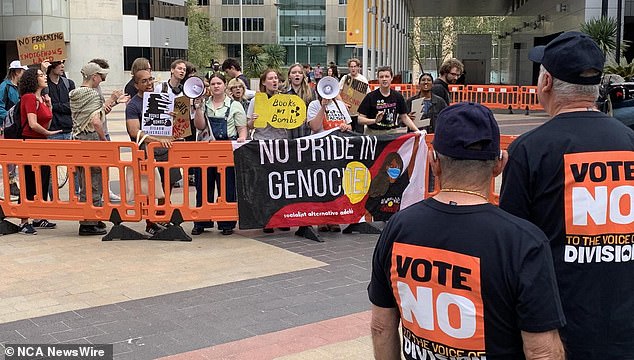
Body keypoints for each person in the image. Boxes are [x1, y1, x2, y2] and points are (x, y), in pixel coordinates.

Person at [369, 102, 566, 360]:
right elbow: (541, 351)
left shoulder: (398, 228)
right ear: (500, 163)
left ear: (434, 161)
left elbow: (381, 326)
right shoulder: (523, 242)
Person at [499, 31, 634, 359]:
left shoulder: (528, 151)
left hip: (557, 328)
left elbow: (514, 248)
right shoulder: (629, 140)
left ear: (546, 82)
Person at [191, 73, 247, 236]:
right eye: (213, 83)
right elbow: (199, 126)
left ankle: (226, 222)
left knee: (227, 187)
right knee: (203, 186)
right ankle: (202, 221)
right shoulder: (204, 104)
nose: (216, 86)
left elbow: (241, 127)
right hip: (206, 150)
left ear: (224, 86)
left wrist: (242, 139)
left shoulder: (235, 105)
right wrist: (198, 109)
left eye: (219, 83)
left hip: (226, 150)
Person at [125, 69, 174, 236]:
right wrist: (157, 141)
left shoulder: (162, 100)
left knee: (167, 185)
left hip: (166, 150)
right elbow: (134, 131)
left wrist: (173, 117)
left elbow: (175, 125)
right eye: (144, 81)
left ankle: (163, 216)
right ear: (136, 84)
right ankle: (150, 222)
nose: (149, 83)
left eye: (150, 79)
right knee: (150, 188)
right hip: (147, 152)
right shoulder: (133, 105)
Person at [18, 68, 62, 235]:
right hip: (30, 143)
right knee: (29, 180)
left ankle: (37, 216)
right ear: (33, 79)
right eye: (41, 75)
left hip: (41, 143)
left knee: (42, 179)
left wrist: (49, 107)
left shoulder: (41, 99)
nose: (44, 77)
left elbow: (46, 123)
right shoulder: (29, 97)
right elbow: (32, 124)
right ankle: (24, 220)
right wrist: (48, 134)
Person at [246, 69, 291, 234]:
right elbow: (248, 125)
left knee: (281, 182)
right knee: (264, 182)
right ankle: (267, 220)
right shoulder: (256, 100)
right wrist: (253, 120)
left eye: (276, 79)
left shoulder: (285, 100)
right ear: (264, 82)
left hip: (280, 143)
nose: (274, 81)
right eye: (270, 79)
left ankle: (282, 218)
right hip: (263, 143)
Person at [69, 62, 109, 236]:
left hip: (77, 138)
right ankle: (90, 220)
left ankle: (89, 217)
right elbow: (95, 120)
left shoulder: (75, 94)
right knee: (94, 179)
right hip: (91, 138)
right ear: (94, 77)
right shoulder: (92, 94)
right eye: (100, 76)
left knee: (83, 180)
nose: (102, 79)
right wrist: (103, 138)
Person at [306, 89, 352, 233]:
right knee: (321, 185)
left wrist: (346, 126)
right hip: (320, 150)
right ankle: (321, 219)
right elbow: (314, 127)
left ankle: (334, 219)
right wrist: (323, 107)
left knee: (336, 185)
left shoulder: (340, 104)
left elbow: (350, 125)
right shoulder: (314, 105)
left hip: (338, 150)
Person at [358, 66, 418, 135]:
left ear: (391, 78)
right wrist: (375, 120)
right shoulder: (370, 97)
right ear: (378, 79)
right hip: (373, 134)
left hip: (391, 134)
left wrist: (417, 130)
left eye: (387, 76)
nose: (384, 79)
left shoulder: (398, 96)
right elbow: (360, 119)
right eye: (381, 77)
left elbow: (404, 117)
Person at [0, 60, 27, 201]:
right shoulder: (4, 87)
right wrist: (10, 118)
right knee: (8, 159)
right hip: (6, 127)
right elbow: (0, 106)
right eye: (23, 71)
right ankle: (9, 184)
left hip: (15, 127)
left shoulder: (18, 87)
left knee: (13, 159)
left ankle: (11, 183)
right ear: (17, 71)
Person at [44, 61, 75, 141]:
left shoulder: (69, 83)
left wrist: (53, 106)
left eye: (63, 63)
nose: (62, 66)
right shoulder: (43, 85)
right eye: (59, 63)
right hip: (52, 130)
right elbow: (43, 106)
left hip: (68, 130)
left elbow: (73, 105)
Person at [338, 58, 370, 133]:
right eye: (351, 66)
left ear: (358, 67)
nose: (353, 68)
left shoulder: (363, 79)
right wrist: (343, 104)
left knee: (359, 134)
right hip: (346, 113)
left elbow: (368, 96)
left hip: (358, 114)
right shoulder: (345, 78)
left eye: (355, 66)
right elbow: (337, 93)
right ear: (349, 68)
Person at [284, 63, 315, 139]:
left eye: (300, 73)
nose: (297, 75)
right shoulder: (283, 92)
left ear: (303, 76)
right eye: (294, 73)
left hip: (304, 131)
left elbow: (313, 112)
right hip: (287, 132)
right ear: (289, 76)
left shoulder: (310, 92)